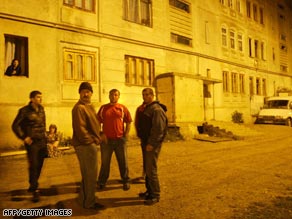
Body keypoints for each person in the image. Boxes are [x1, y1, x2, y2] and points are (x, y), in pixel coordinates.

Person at [72, 82, 104, 210]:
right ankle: (89, 203)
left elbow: (94, 124)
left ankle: (84, 199)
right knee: (90, 175)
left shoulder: (89, 106)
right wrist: (92, 141)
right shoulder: (79, 108)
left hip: (89, 143)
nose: (86, 94)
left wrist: (100, 134)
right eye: (83, 91)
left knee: (88, 174)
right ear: (79, 93)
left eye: (88, 91)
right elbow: (80, 130)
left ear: (91, 93)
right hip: (85, 145)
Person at [12, 90, 47, 202]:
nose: (40, 99)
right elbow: (15, 126)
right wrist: (24, 137)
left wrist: (46, 137)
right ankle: (35, 189)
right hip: (32, 143)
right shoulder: (24, 111)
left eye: (41, 97)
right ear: (32, 99)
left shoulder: (41, 109)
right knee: (34, 165)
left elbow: (43, 124)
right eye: (37, 97)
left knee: (40, 165)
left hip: (42, 141)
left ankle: (33, 184)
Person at [135, 88, 168, 205]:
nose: (145, 97)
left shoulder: (156, 109)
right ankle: (149, 191)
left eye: (147, 94)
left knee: (151, 169)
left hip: (152, 144)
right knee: (147, 168)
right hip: (146, 142)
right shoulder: (146, 108)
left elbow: (159, 129)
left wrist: (152, 144)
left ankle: (155, 195)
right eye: (143, 94)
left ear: (152, 95)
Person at [97, 89, 132, 191]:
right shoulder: (103, 108)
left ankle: (126, 181)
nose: (113, 96)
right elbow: (97, 122)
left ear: (118, 96)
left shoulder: (122, 108)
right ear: (109, 96)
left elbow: (128, 121)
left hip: (120, 140)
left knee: (123, 162)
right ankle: (102, 182)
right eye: (111, 94)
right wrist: (101, 134)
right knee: (105, 163)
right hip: (106, 141)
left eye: (116, 95)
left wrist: (126, 134)